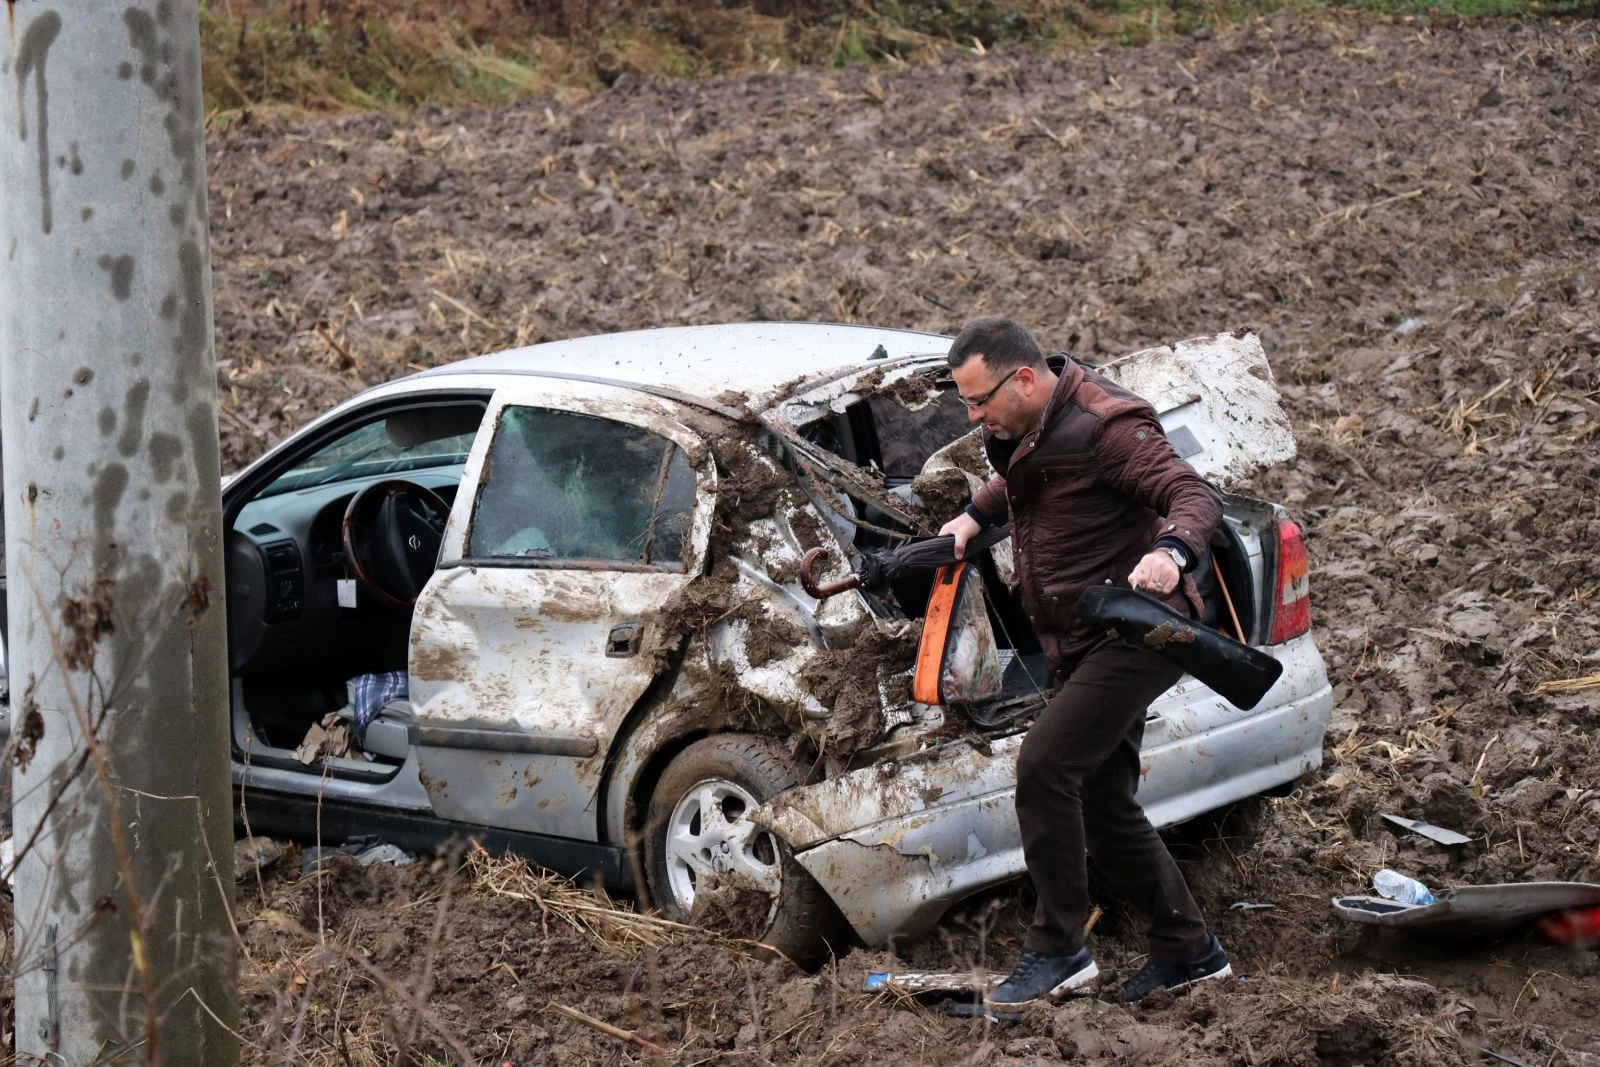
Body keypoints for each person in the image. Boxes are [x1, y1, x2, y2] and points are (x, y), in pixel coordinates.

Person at [937, 317, 1232, 1006]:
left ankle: (1058, 949)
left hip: (1132, 636)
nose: (975, 415)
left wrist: (1172, 552)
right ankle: (1189, 949)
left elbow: (1194, 496)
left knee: (1043, 767)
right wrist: (972, 518)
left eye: (980, 401)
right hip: (1077, 640)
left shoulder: (1107, 426)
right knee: (1102, 799)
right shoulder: (1028, 428)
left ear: (1027, 378)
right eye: (967, 404)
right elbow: (1019, 477)